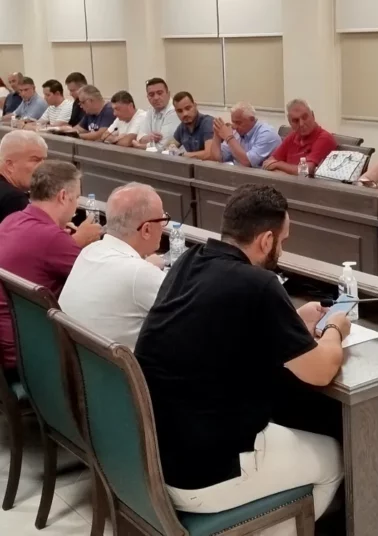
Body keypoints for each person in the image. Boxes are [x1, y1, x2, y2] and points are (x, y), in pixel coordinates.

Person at [135, 184, 348, 535]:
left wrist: (292, 321)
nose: (282, 249)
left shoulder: (189, 260)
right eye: (283, 241)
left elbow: (223, 323)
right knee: (336, 458)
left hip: (156, 456)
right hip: (207, 470)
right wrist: (335, 329)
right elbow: (322, 371)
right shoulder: (259, 283)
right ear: (266, 240)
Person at [0, 161, 102, 376]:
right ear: (63, 196)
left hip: (9, 344)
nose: (75, 205)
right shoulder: (52, 239)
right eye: (76, 198)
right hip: (30, 357)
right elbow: (101, 280)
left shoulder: (11, 220)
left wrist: (68, 240)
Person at [60, 183, 167, 350]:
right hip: (123, 366)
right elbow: (188, 317)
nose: (163, 226)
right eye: (162, 220)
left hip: (78, 360)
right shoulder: (140, 274)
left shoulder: (89, 251)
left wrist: (146, 266)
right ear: (146, 230)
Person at [262, 99, 337, 177]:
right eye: (296, 120)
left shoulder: (324, 138)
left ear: (313, 116)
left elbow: (305, 171)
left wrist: (279, 165)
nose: (301, 124)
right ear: (290, 123)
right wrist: (282, 169)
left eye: (305, 117)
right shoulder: (293, 136)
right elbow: (269, 163)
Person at [210, 102, 280, 167]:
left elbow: (247, 162)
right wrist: (217, 133)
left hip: (261, 175)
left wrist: (229, 137)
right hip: (239, 173)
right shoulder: (236, 132)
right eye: (233, 122)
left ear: (252, 119)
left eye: (238, 123)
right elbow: (218, 159)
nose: (234, 126)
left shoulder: (267, 133)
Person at [0, 130, 47, 222]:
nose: (43, 166)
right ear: (10, 165)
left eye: (44, 160)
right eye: (35, 160)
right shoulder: (13, 199)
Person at [134, 78, 180, 151]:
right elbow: (140, 137)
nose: (156, 98)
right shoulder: (151, 109)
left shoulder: (174, 110)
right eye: (151, 94)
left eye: (160, 93)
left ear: (168, 94)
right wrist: (149, 138)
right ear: (147, 97)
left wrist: (140, 146)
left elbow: (163, 146)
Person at [171, 91, 214, 159]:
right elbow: (171, 144)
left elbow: (210, 154)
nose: (185, 114)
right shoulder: (182, 126)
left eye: (188, 108)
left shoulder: (208, 122)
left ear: (195, 105)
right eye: (180, 111)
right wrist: (171, 147)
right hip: (193, 164)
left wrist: (182, 154)